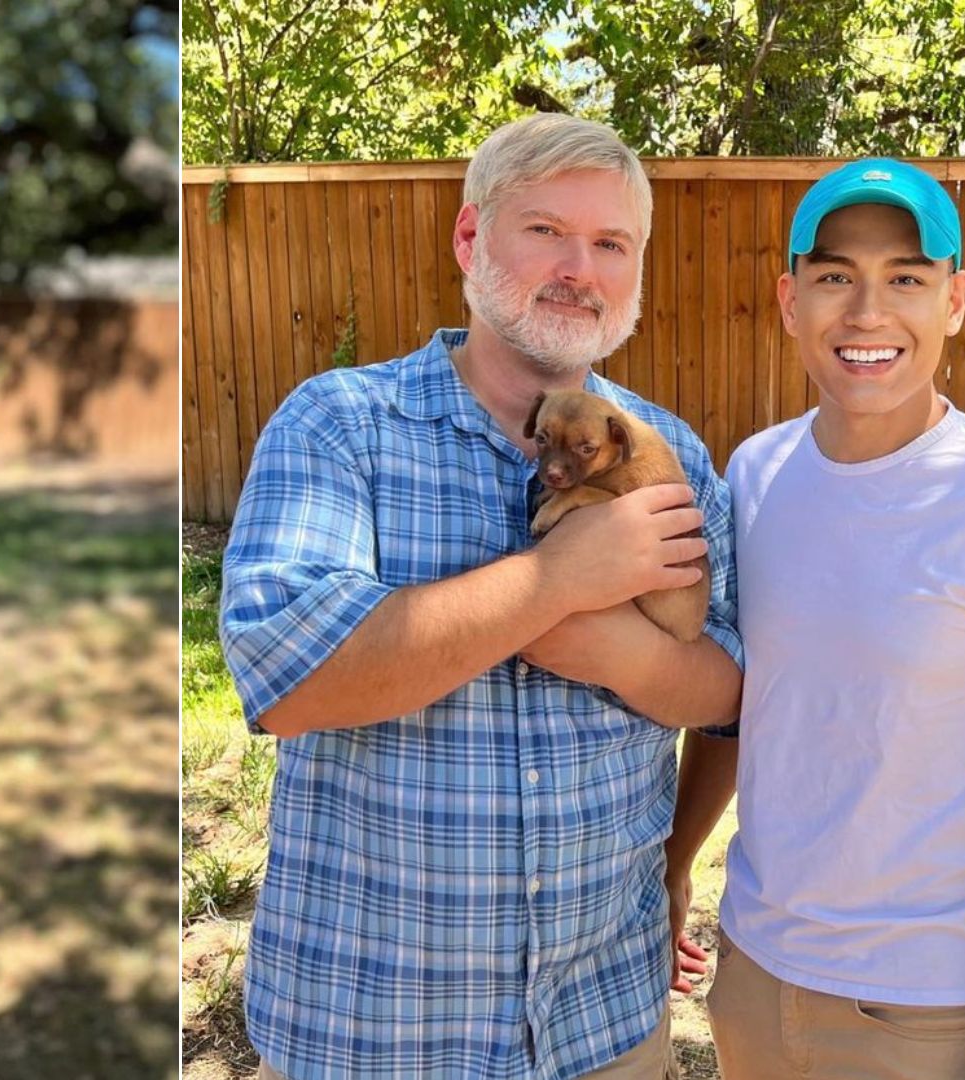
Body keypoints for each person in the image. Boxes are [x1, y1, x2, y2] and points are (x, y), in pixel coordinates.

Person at [218, 112, 744, 1080]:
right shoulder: (343, 424)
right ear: (470, 239)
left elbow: (733, 696)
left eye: (610, 243)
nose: (578, 267)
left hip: (607, 1020)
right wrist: (557, 581)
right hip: (378, 1028)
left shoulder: (673, 458)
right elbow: (289, 682)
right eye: (544, 229)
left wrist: (617, 651)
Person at [668, 158, 965, 1080]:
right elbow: (741, 703)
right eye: (836, 277)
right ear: (791, 301)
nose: (866, 313)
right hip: (752, 974)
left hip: (923, 1009)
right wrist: (676, 870)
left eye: (905, 278)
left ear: (953, 301)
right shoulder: (754, 475)